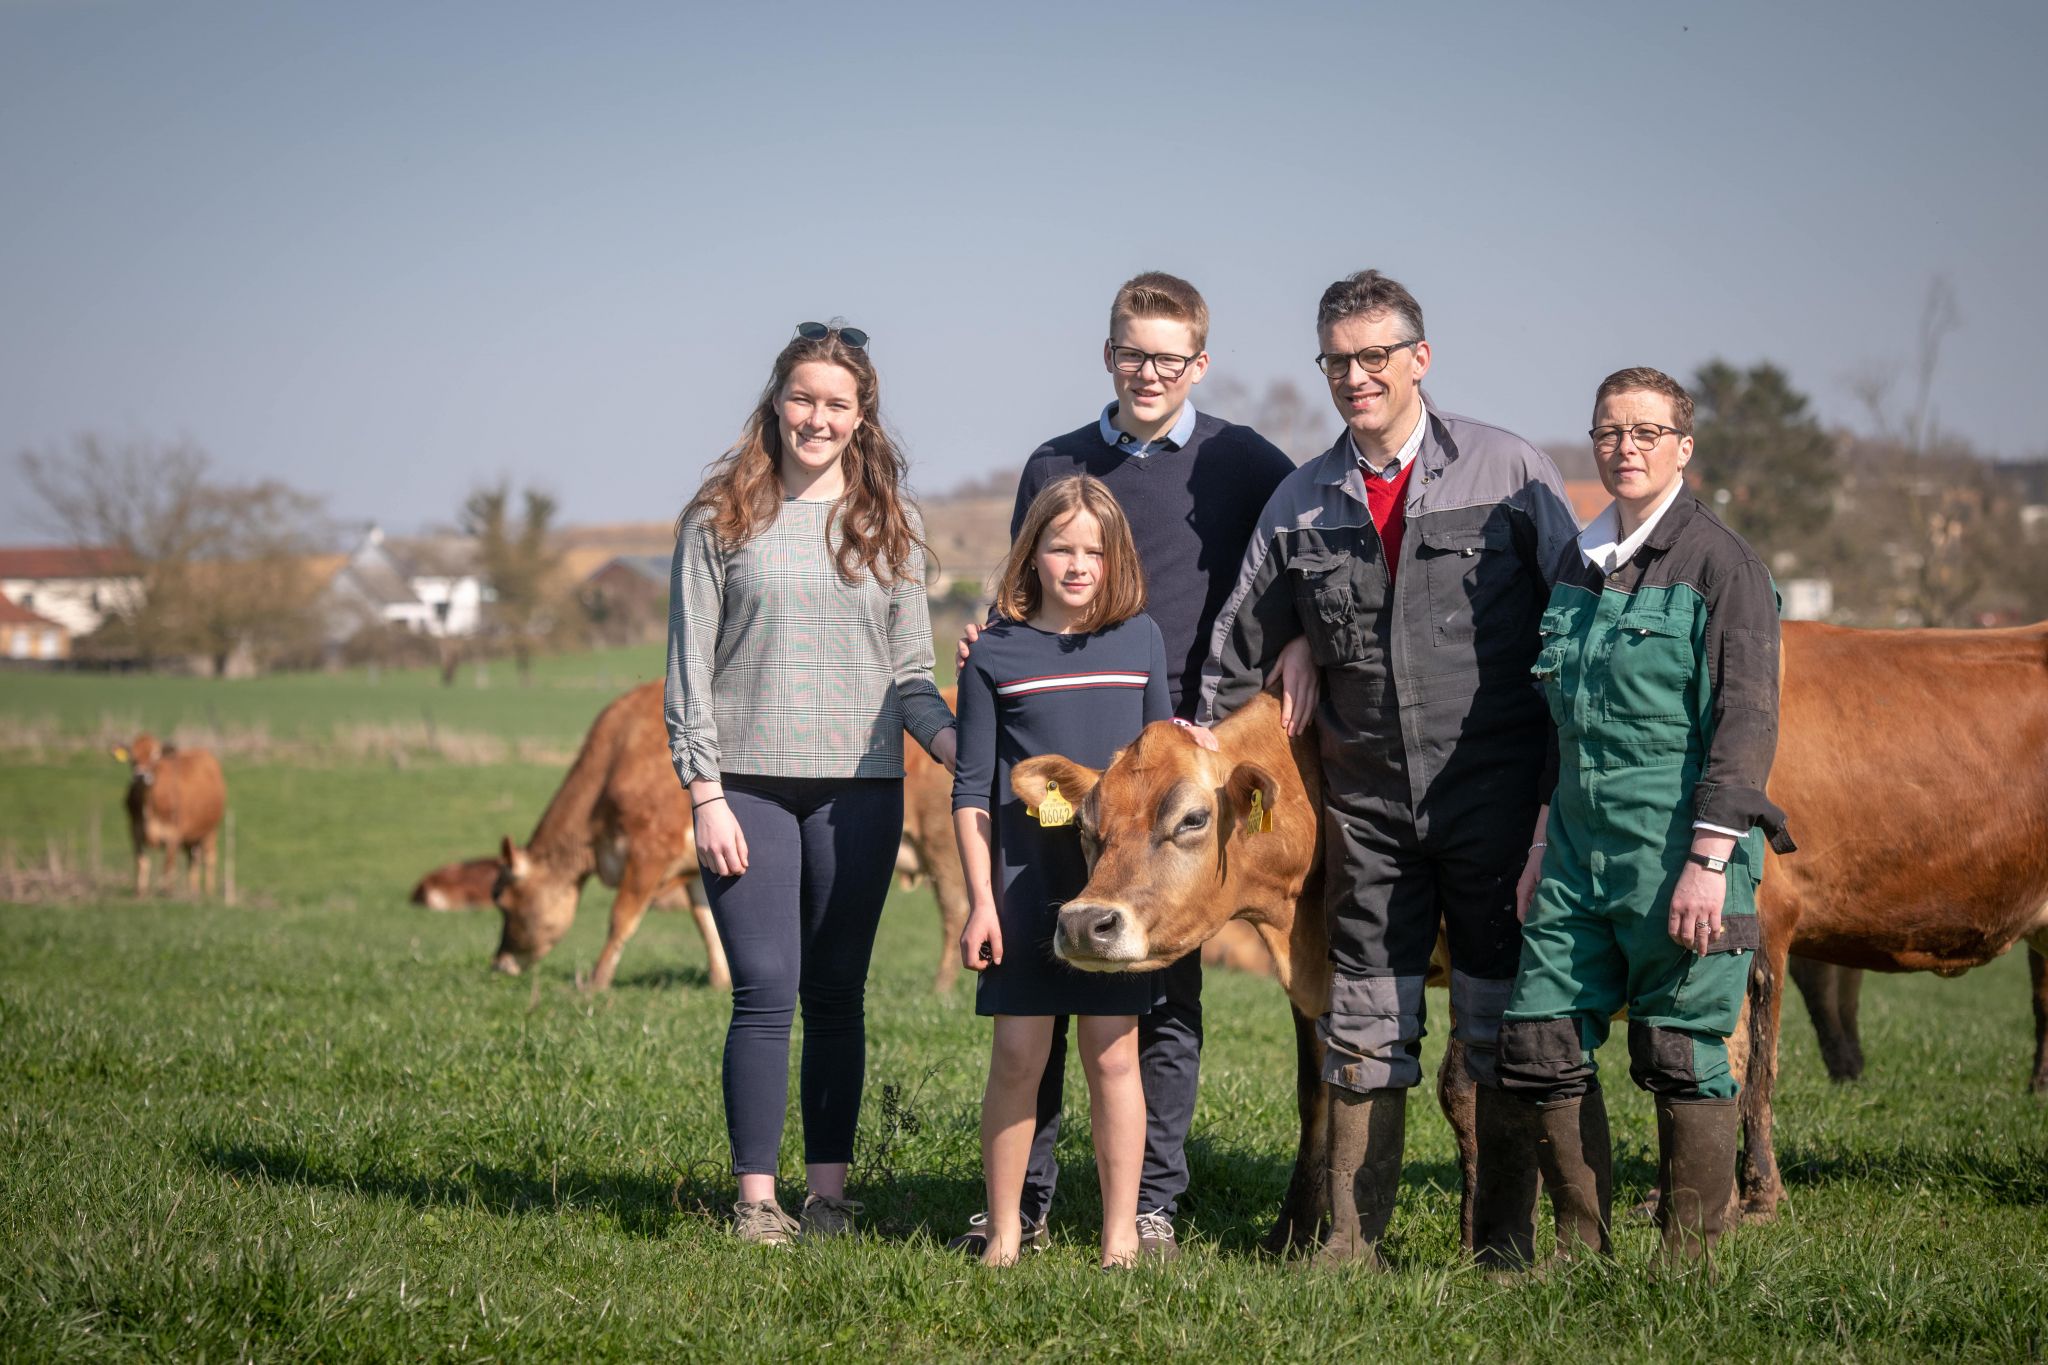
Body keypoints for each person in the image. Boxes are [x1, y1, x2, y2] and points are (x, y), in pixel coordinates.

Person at [1201, 270, 1582, 1268]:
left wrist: (1564, 779)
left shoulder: (1509, 471)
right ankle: (1350, 1241)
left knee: (1497, 1020)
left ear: (1419, 357)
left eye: (1376, 355)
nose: (1356, 377)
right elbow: (1239, 636)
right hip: (1366, 800)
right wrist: (1216, 720)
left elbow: (1575, 618)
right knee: (1364, 1021)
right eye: (1338, 359)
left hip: (1493, 791)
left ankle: (1501, 1242)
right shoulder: (1300, 497)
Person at [951, 271, 1298, 1259]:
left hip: (1183, 755)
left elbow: (1291, 562)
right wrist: (992, 626)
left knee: (1161, 990)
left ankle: (1149, 1200)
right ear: (1106, 353)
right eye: (1130, 352)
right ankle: (1029, 1195)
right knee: (1046, 992)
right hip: (1062, 759)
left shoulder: (1245, 460)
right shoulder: (1055, 460)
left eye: (1168, 357)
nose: (1148, 372)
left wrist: (1298, 648)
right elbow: (1025, 578)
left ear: (1198, 362)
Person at [666, 320, 957, 1246]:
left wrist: (964, 745)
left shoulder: (891, 528)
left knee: (837, 993)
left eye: (837, 402)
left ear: (862, 414)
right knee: (764, 986)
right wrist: (703, 792)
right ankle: (756, 1200)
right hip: (745, 786)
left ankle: (828, 1198)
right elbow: (689, 669)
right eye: (803, 398)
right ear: (775, 403)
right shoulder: (719, 518)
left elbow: (913, 674)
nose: (817, 417)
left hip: (860, 789)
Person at [1495, 367, 1794, 1268]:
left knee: (1680, 1047)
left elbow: (1747, 720)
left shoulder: (1724, 566)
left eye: (1647, 432)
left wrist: (1710, 857)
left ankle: (1685, 1262)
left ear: (1683, 447)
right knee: (1540, 1037)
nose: (1626, 447)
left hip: (1683, 843)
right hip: (1577, 845)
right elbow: (1561, 721)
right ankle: (1580, 1249)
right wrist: (1542, 841)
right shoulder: (1576, 562)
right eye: (1610, 431)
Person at [954, 474, 1173, 1267]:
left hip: (1112, 895)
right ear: (1032, 552)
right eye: (1060, 547)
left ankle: (1120, 1238)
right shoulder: (996, 649)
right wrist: (980, 902)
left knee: (1115, 1054)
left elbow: (1159, 769)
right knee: (1017, 1056)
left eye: (1094, 550)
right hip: (1022, 888)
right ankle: (1005, 1230)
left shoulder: (1140, 639)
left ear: (1115, 558)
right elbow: (971, 790)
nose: (1077, 565)